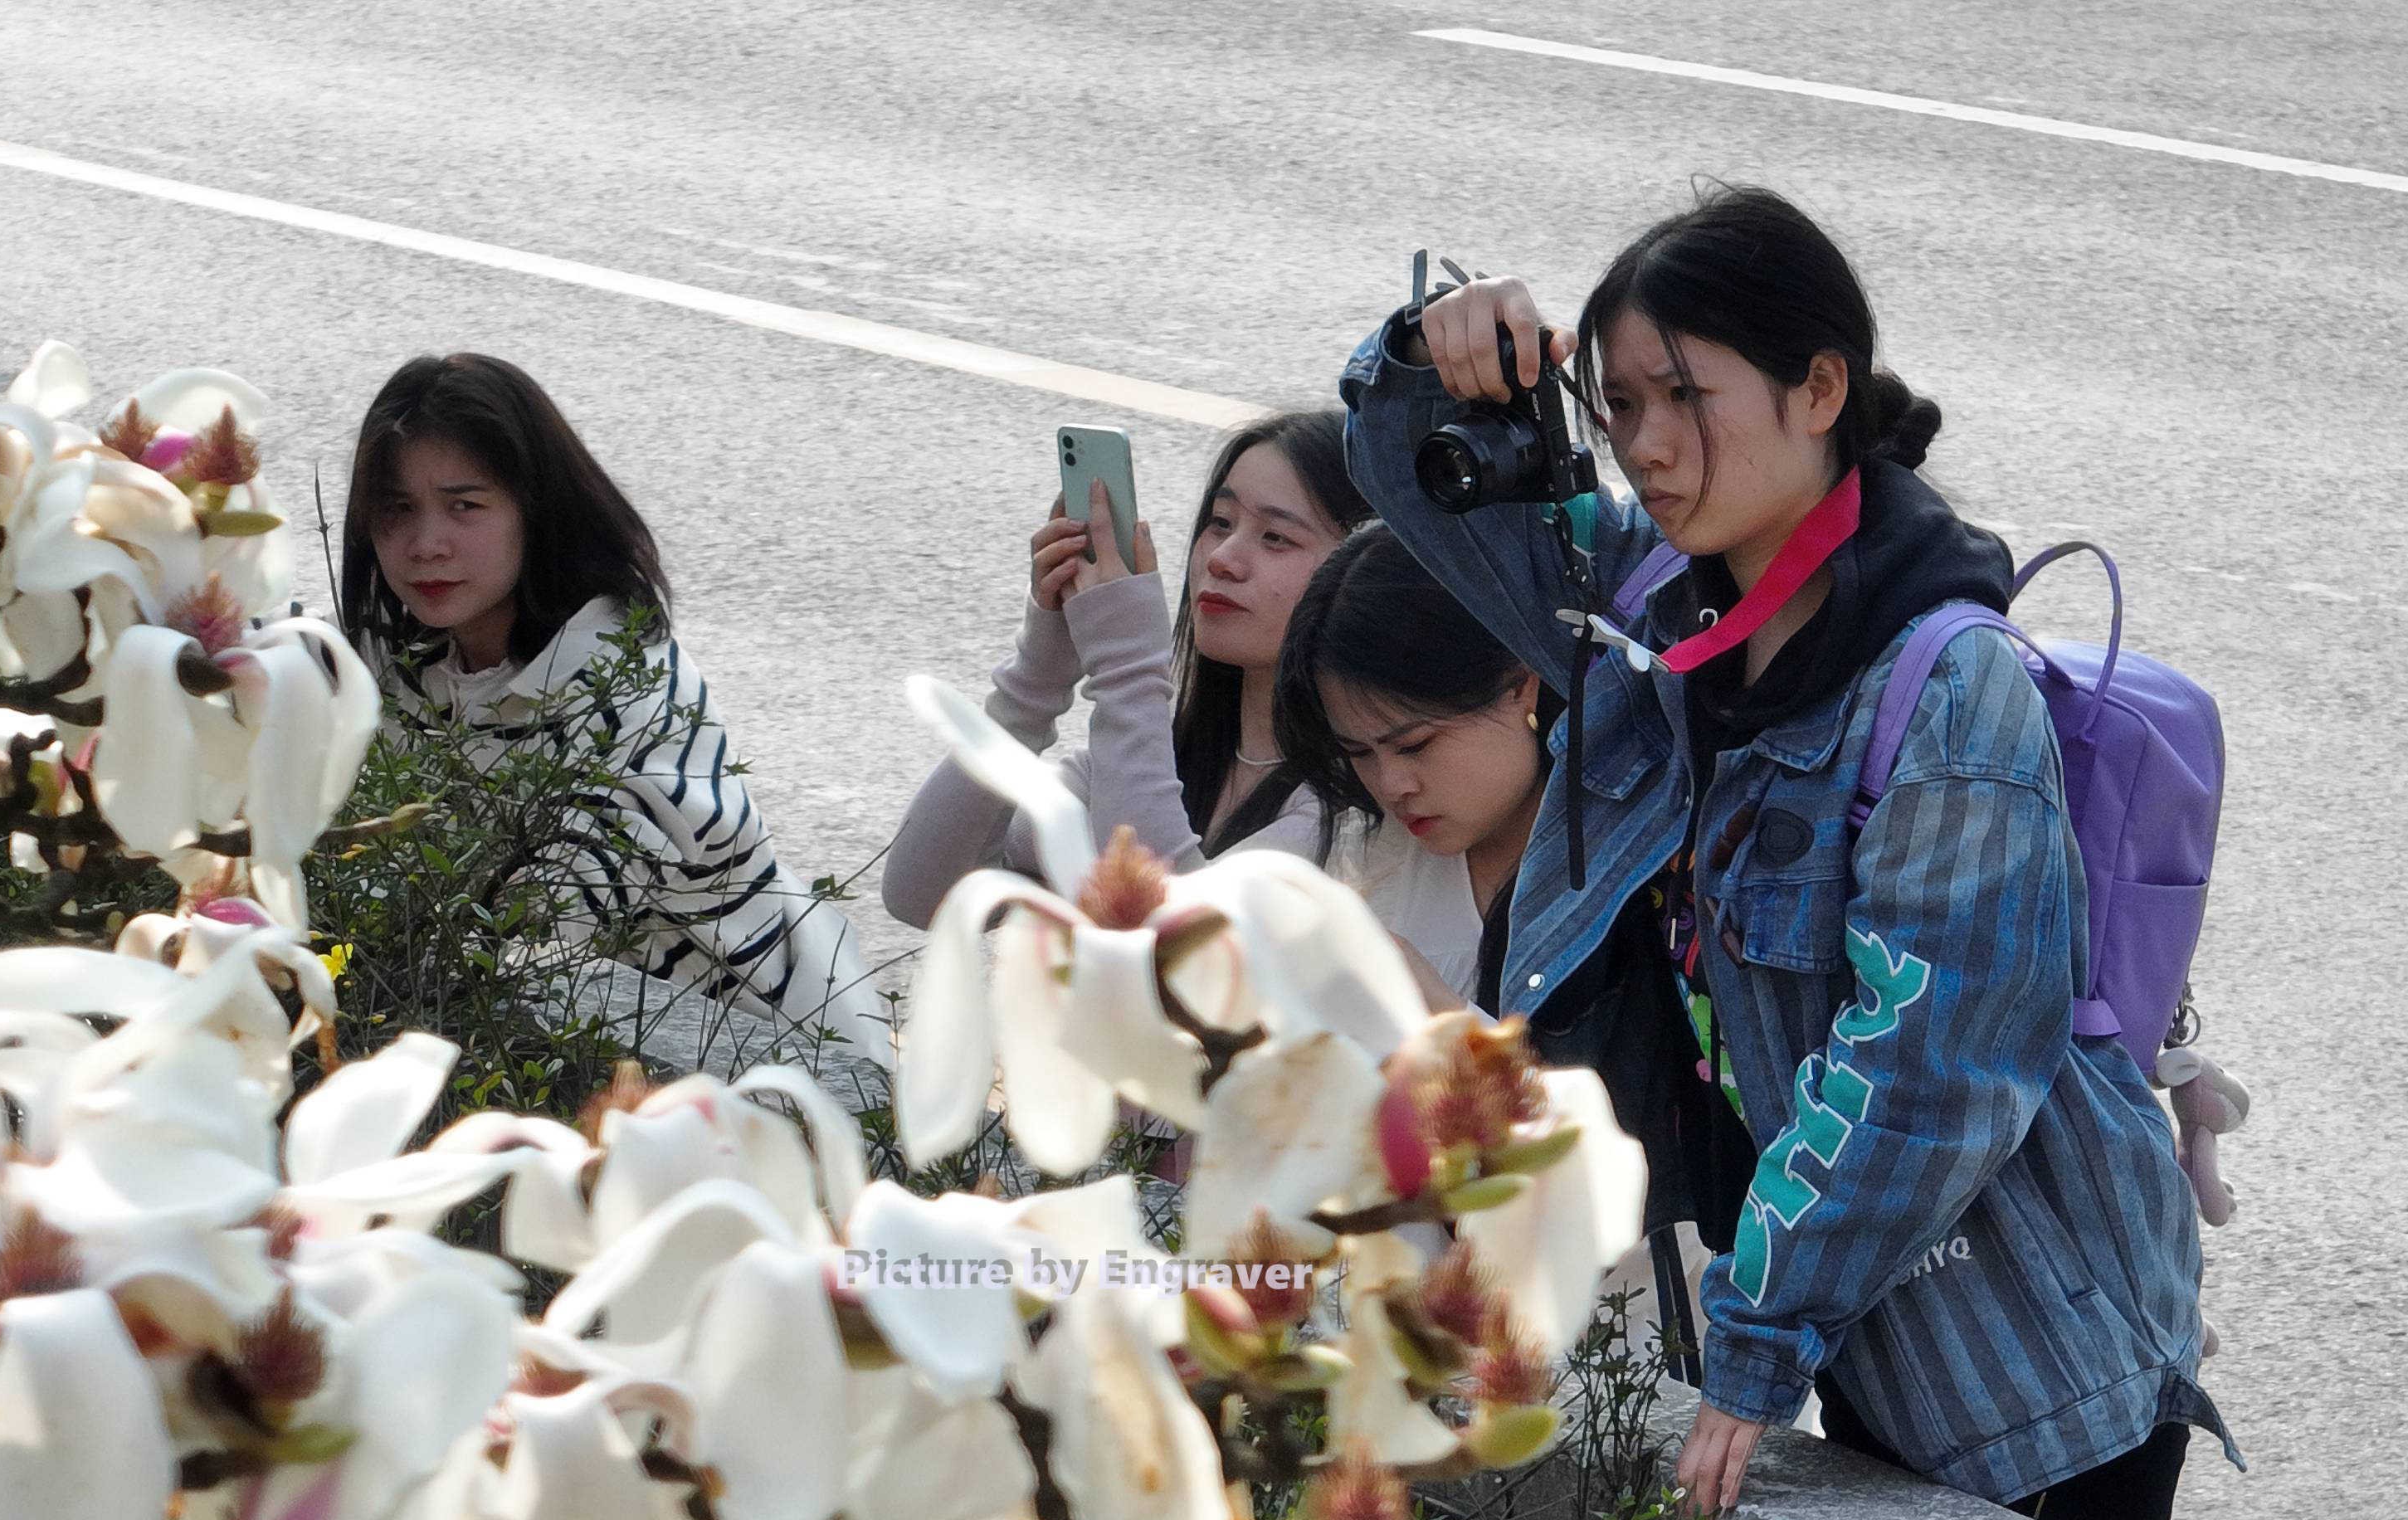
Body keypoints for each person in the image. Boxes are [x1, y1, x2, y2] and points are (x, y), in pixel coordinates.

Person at [1338, 184, 2238, 1520]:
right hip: (1874, 1328)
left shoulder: (1946, 690)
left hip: (2043, 1376)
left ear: (1818, 388)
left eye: (1682, 397)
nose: (1641, 445)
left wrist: (1756, 1343)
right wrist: (1431, 356)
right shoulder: (1668, 617)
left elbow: (1932, 1064)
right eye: (1616, 402)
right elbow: (1446, 516)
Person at [339, 352, 885, 1043]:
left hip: (755, 1063)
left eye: (465, 506)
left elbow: (516, 930)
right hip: (558, 1039)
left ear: (535, 512)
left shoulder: (626, 693)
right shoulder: (397, 664)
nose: (426, 544)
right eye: (396, 510)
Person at [881, 411, 1372, 928]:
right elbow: (924, 895)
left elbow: (1170, 945)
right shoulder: (1149, 764)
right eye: (1220, 523)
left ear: (1359, 572)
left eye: (1275, 537)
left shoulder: (1359, 805)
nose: (1223, 558)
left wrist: (1129, 672)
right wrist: (1035, 681)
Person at [1268, 524, 1546, 1011]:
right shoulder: (1352, 849)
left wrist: (1447, 1022)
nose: (1391, 786)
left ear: (1522, 684)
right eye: (1357, 753)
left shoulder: (1645, 868)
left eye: (1415, 745)